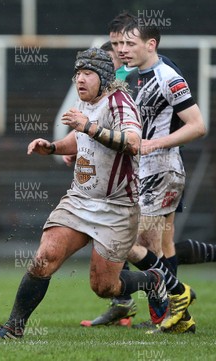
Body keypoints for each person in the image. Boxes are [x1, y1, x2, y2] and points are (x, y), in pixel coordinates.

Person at [0, 47, 168, 339]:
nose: (80, 79)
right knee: (44, 257)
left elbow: (132, 141)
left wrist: (88, 127)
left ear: (104, 77)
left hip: (116, 207)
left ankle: (152, 280)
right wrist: (53, 147)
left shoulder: (119, 102)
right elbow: (78, 138)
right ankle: (13, 328)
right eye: (78, 73)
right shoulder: (85, 103)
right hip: (79, 200)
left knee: (104, 287)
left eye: (88, 73)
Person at [119, 19, 206, 332]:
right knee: (154, 245)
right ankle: (178, 318)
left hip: (163, 170)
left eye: (130, 44)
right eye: (120, 44)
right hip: (145, 170)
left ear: (150, 45)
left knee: (129, 242)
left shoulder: (168, 76)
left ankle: (177, 295)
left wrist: (156, 142)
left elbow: (198, 125)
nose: (123, 50)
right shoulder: (135, 77)